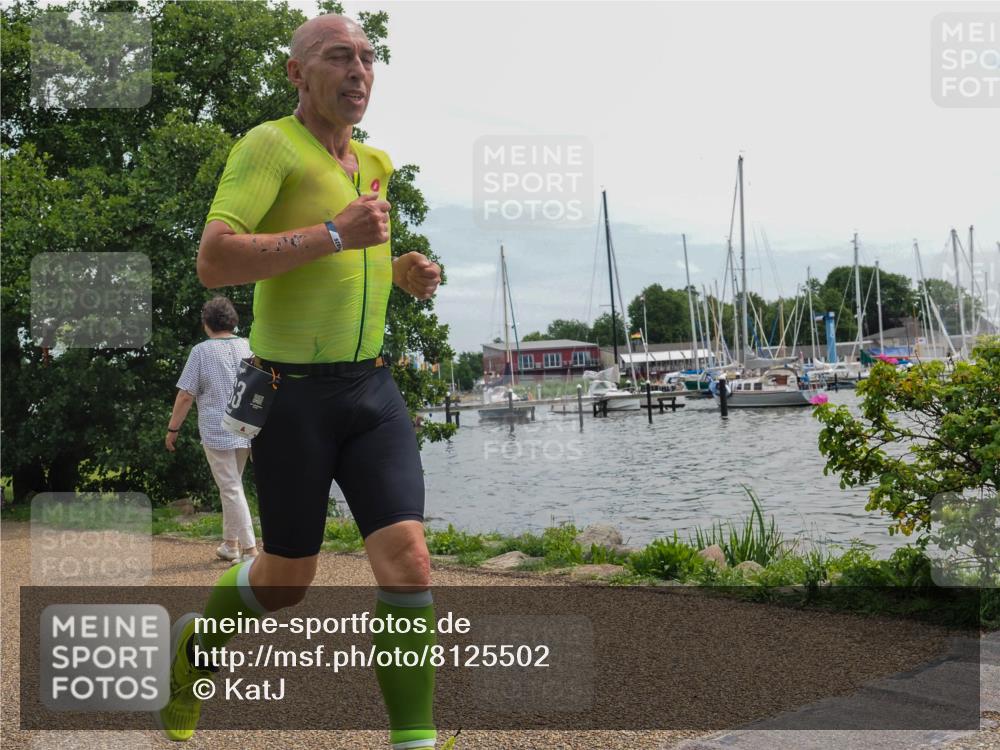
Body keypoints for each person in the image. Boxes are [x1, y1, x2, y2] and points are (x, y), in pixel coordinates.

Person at [155, 13, 444, 750]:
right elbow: (215, 261)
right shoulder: (268, 146)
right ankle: (197, 647)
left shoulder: (375, 162)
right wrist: (338, 234)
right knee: (286, 581)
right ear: (296, 73)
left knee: (408, 559)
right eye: (338, 57)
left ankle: (413, 739)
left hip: (373, 392)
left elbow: (355, 254)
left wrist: (401, 270)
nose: (359, 71)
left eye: (369, 57)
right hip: (289, 397)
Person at [166, 296, 258, 563]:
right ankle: (230, 544)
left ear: (206, 323)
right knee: (232, 486)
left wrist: (173, 429)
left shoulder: (201, 352)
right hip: (247, 428)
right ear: (232, 320)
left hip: (217, 430)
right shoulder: (248, 346)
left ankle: (250, 550)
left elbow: (185, 395)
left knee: (230, 487)